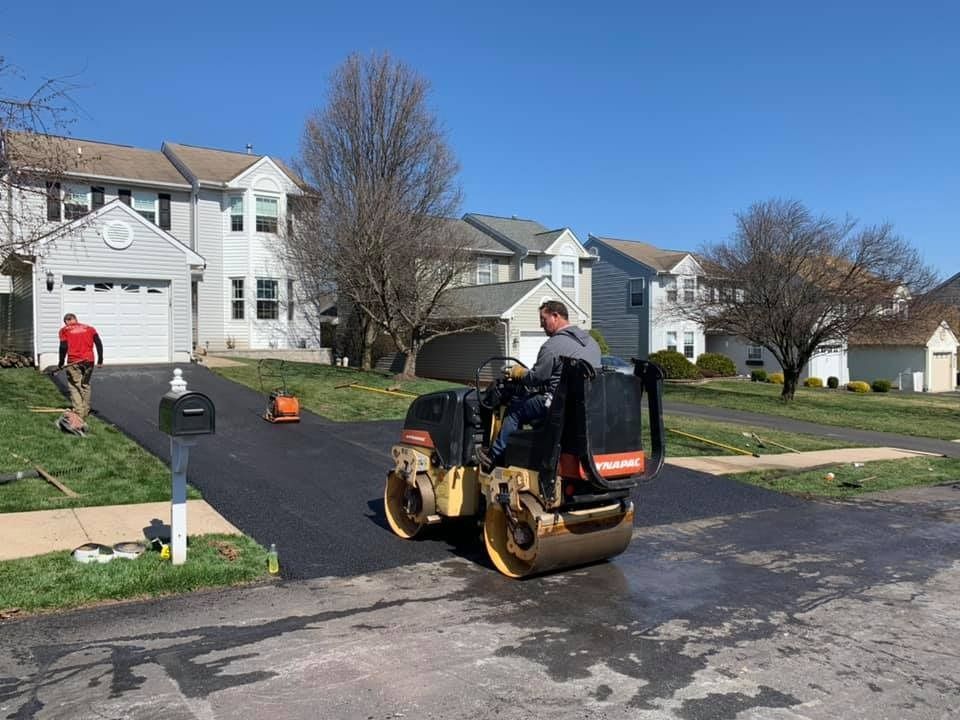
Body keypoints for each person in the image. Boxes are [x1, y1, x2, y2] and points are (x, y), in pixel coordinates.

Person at [476, 300, 601, 470]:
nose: (541, 325)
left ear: (555, 316)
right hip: (584, 405)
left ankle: (495, 456)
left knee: (515, 411)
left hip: (557, 405)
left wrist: (518, 372)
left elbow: (536, 378)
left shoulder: (552, 346)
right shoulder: (592, 343)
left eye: (543, 319)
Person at [57, 313, 104, 420]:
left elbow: (63, 347)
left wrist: (61, 362)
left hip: (74, 361)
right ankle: (86, 409)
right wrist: (100, 359)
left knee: (74, 386)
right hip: (89, 360)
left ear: (66, 321)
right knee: (85, 385)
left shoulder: (64, 330)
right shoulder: (89, 328)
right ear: (75, 319)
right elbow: (98, 343)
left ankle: (79, 412)